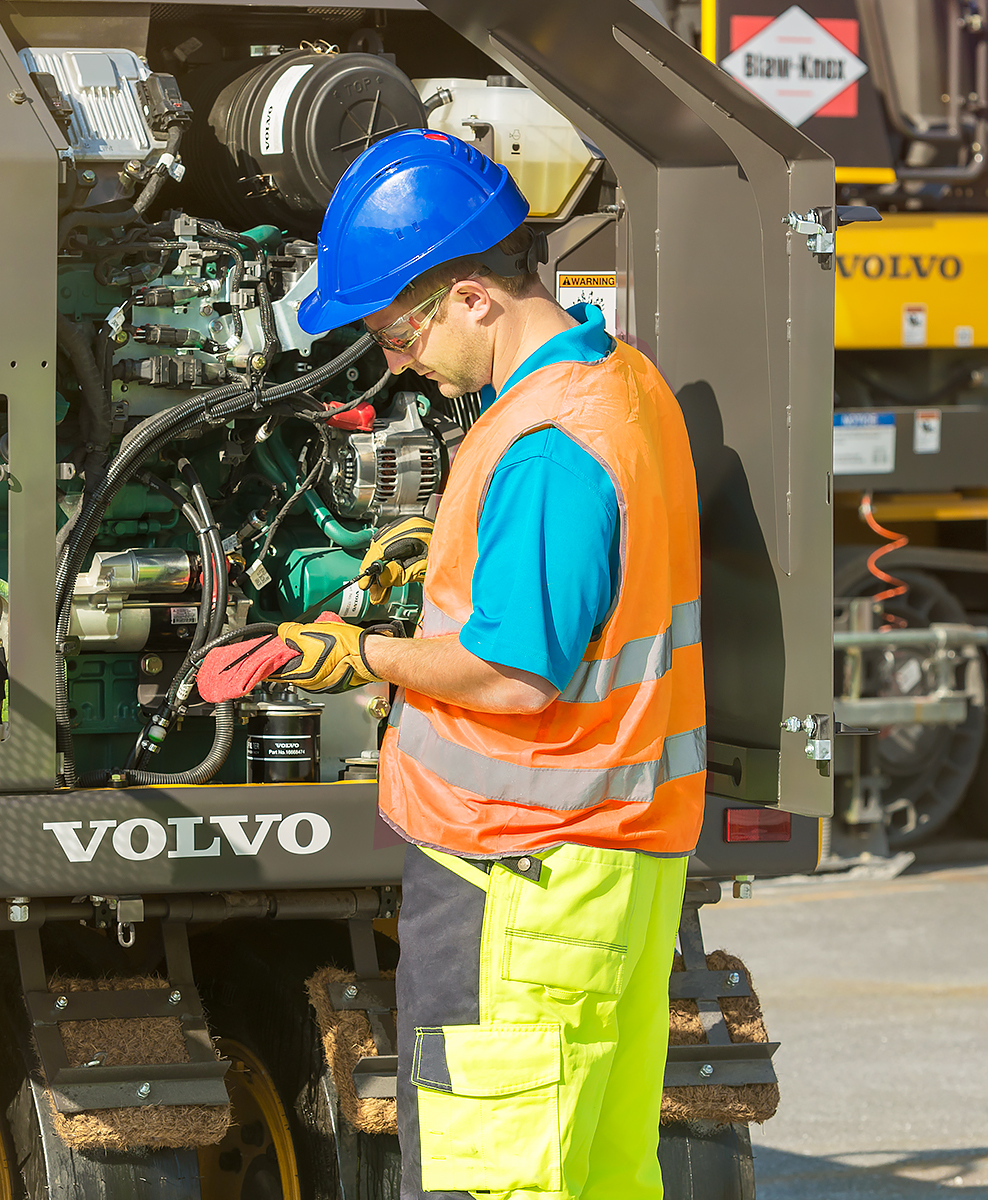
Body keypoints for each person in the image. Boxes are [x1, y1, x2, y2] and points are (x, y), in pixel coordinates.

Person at [274, 129, 705, 1199]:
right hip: (603, 863)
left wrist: (361, 655)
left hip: (521, 876)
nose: (394, 360)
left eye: (398, 329)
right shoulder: (621, 384)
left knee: (492, 1179)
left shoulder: (547, 443)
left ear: (471, 297)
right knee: (598, 1177)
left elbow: (516, 676)